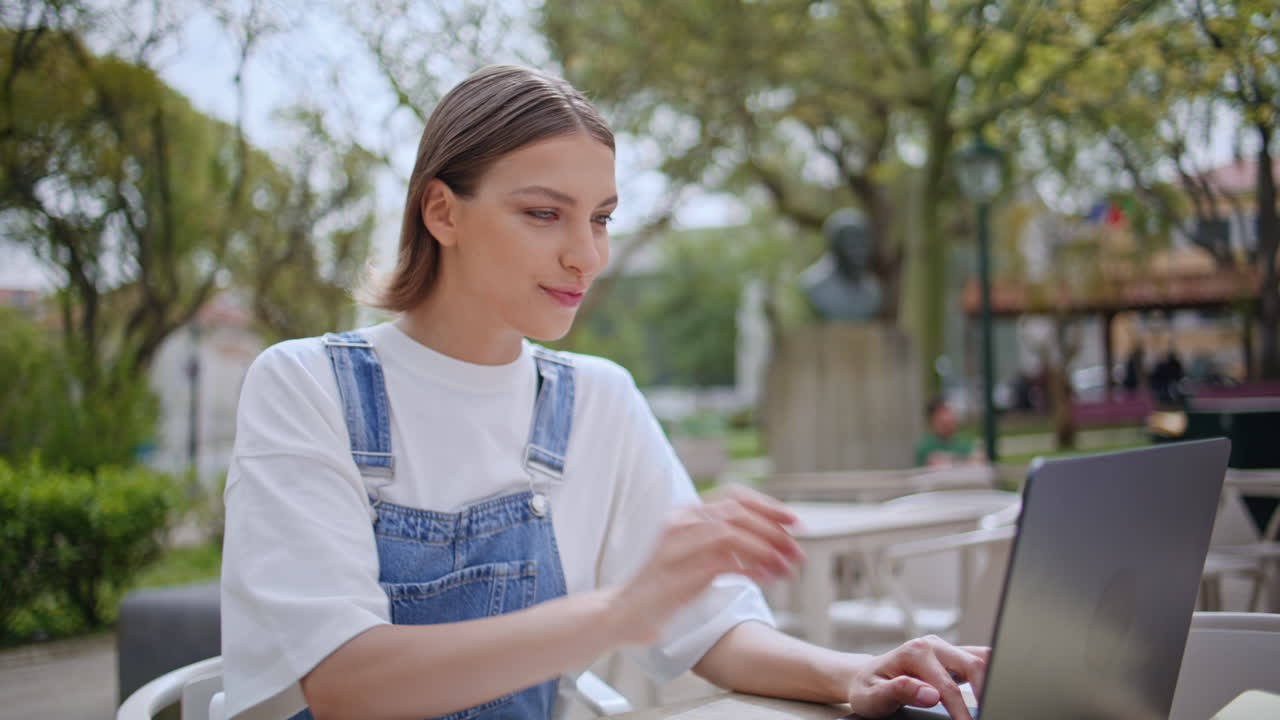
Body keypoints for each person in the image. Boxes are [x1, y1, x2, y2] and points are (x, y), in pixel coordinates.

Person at [221, 65, 987, 720]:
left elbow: (709, 626)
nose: (586, 256)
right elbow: (348, 684)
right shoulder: (305, 384)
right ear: (442, 210)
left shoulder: (598, 400)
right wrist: (619, 614)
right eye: (544, 214)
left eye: (602, 219)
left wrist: (852, 674)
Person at [914, 397, 982, 467]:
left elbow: (977, 460)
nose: (946, 418)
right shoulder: (926, 446)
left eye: (949, 412)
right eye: (940, 415)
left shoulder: (965, 442)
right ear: (931, 420)